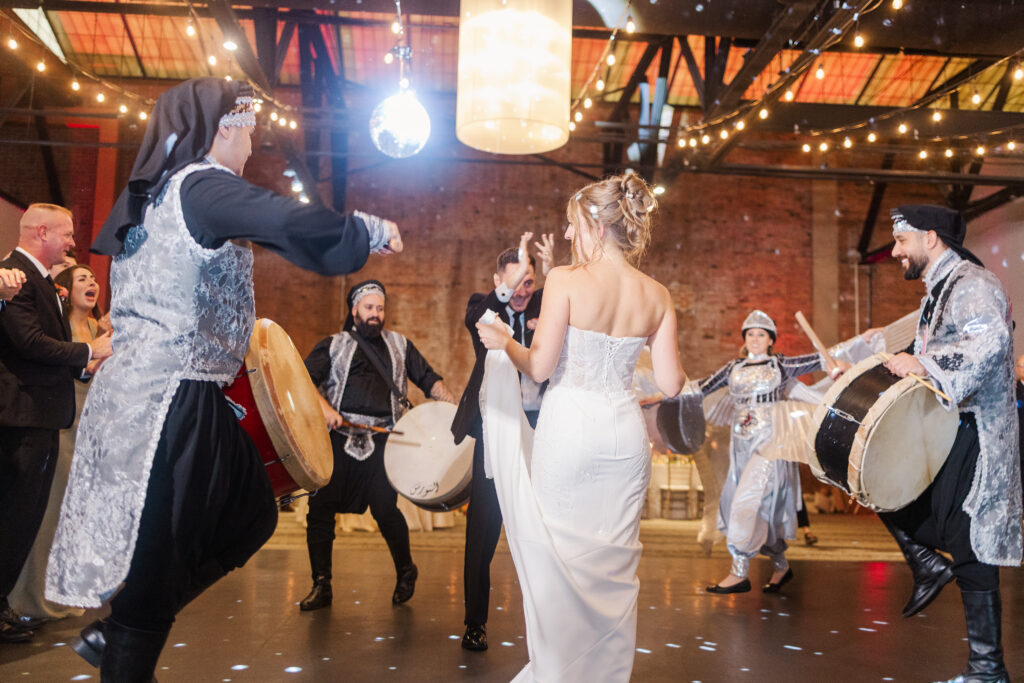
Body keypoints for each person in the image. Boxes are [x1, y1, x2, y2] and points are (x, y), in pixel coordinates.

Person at [45, 78, 402, 681]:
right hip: (171, 397)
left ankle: (123, 628)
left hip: (171, 392)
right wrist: (361, 230)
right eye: (247, 126)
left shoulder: (159, 195)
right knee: (159, 555)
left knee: (252, 515)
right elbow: (276, 218)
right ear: (223, 129)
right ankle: (126, 640)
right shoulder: (200, 185)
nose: (254, 137)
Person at [476, 173, 685, 682]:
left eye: (572, 225)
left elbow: (541, 367)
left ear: (595, 222)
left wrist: (504, 343)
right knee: (613, 568)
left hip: (570, 430)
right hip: (624, 434)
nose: (568, 237)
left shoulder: (567, 280)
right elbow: (673, 384)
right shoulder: (657, 294)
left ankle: (557, 671)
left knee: (558, 561)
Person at [879, 204, 1019, 683]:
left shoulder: (971, 283)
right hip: (948, 429)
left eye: (902, 241)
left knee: (969, 544)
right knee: (882, 485)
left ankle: (987, 669)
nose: (896, 251)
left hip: (975, 432)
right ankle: (926, 564)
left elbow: (992, 339)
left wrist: (926, 363)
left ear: (931, 238)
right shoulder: (938, 290)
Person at [298, 279, 456, 611]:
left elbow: (429, 379)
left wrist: (451, 407)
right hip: (339, 441)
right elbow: (303, 379)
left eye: (380, 308)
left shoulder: (400, 345)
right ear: (354, 310)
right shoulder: (334, 344)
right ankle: (321, 584)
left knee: (385, 509)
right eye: (369, 308)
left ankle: (405, 570)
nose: (375, 314)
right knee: (321, 510)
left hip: (385, 441)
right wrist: (325, 410)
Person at [0, 205, 113, 644]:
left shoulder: (41, 280)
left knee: (23, 518)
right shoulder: (13, 275)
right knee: (13, 516)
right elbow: (27, 343)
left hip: (43, 414)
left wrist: (86, 366)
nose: (71, 244)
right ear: (41, 232)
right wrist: (89, 353)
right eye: (66, 235)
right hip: (22, 414)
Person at [450, 231, 553, 651]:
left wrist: (545, 269)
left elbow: (563, 296)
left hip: (544, 432)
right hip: (497, 433)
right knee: (482, 533)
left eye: (528, 283)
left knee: (547, 530)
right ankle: (475, 623)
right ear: (497, 280)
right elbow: (485, 311)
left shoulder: (546, 306)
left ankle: (553, 624)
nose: (522, 291)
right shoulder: (483, 306)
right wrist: (508, 286)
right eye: (514, 283)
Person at [697, 311, 835, 594]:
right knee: (761, 509)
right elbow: (700, 388)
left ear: (771, 340)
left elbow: (820, 358)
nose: (755, 339)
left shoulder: (780, 365)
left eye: (761, 334)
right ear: (744, 339)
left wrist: (841, 360)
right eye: (750, 334)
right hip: (741, 447)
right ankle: (781, 566)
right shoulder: (732, 368)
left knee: (746, 503)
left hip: (771, 445)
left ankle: (739, 572)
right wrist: (662, 397)